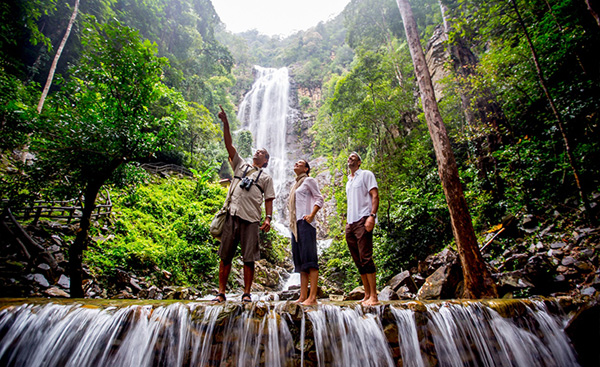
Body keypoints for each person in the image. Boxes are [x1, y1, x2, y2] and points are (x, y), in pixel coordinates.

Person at [213, 105, 275, 303]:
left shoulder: (266, 177)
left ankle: (246, 293)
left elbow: (269, 199)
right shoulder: (241, 164)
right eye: (257, 150)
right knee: (225, 256)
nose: (257, 152)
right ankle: (221, 293)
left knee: (249, 258)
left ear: (265, 161)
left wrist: (268, 218)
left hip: (251, 220)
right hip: (232, 214)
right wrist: (226, 124)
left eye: (262, 152)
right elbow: (229, 145)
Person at [345, 152, 380, 306]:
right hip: (350, 223)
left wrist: (372, 216)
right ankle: (366, 294)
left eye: (354, 157)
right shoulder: (349, 181)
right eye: (349, 157)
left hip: (363, 218)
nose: (350, 158)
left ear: (359, 162)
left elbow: (375, 195)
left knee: (366, 256)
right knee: (358, 259)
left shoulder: (366, 174)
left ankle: (374, 296)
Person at [288, 159, 324, 305]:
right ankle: (303, 296)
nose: (296, 163)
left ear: (306, 168)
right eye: (295, 162)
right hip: (295, 225)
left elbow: (319, 198)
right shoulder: (295, 185)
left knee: (310, 261)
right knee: (302, 263)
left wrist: (311, 215)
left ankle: (313, 297)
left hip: (306, 223)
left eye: (300, 163)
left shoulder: (309, 180)